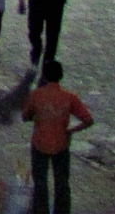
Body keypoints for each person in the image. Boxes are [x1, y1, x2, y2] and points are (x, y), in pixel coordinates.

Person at [23, 58, 92, 214]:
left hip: (40, 142)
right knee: (62, 183)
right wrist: (71, 130)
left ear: (45, 76)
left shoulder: (36, 95)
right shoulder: (69, 97)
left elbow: (25, 116)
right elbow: (88, 120)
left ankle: (41, 210)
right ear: (60, 76)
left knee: (40, 182)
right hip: (61, 143)